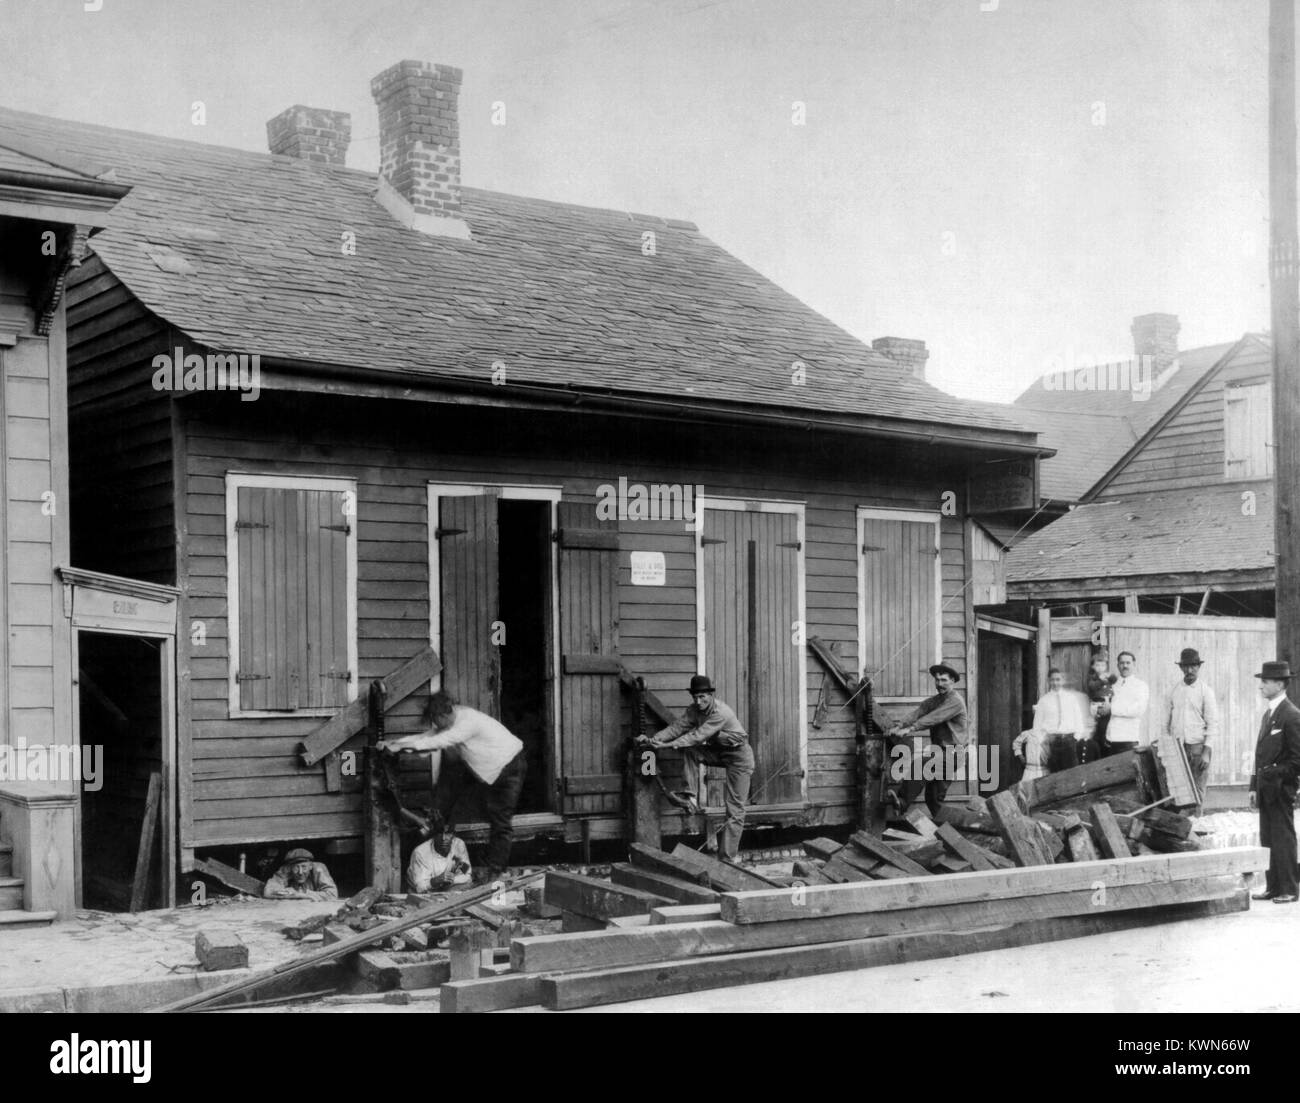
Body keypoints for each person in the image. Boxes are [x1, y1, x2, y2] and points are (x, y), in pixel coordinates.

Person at [380, 691, 527, 884]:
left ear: (442, 715)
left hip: (510, 767)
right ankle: (447, 852)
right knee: (455, 799)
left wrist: (399, 747)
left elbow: (439, 741)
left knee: (501, 821)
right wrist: (395, 743)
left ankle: (495, 873)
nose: (434, 724)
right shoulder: (452, 717)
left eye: (434, 719)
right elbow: (428, 736)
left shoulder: (467, 722)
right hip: (489, 768)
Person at [638, 675, 754, 862]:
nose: (698, 702)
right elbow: (676, 728)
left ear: (711, 695)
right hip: (718, 752)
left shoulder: (720, 712)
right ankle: (689, 795)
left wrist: (666, 746)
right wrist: (654, 739)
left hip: (739, 757)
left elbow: (697, 736)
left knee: (735, 809)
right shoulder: (694, 710)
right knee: (691, 751)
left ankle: (726, 859)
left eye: (703, 697)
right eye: (695, 697)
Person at [886, 662, 969, 818]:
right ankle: (950, 836)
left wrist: (911, 729)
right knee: (933, 799)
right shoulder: (934, 701)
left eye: (944, 680)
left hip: (953, 755)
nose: (939, 684)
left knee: (921, 764)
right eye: (937, 680)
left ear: (952, 681)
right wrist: (899, 725)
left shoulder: (955, 701)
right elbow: (918, 712)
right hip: (940, 753)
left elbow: (933, 718)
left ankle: (902, 802)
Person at [1249, 660, 1300, 904]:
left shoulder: (1291, 715)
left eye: (1266, 681)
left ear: (1280, 684)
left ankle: (1289, 888)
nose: (1261, 686)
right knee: (1268, 837)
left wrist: (1273, 775)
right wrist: (1253, 785)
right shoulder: (1268, 714)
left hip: (1280, 788)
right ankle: (1273, 886)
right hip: (1265, 787)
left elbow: (1296, 761)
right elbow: (1260, 753)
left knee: (1283, 837)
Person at [1164, 647, 1220, 792]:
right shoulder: (1173, 690)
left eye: (1193, 666)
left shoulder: (1205, 691)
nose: (1189, 670)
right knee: (1179, 790)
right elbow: (1165, 722)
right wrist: (1167, 747)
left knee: (1197, 788)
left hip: (1198, 748)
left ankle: (1197, 815)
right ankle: (1183, 816)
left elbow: (1212, 723)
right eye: (1186, 666)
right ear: (1181, 667)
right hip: (1178, 747)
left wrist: (1206, 752)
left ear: (1198, 667)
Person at [1027, 667, 1090, 772]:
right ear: (1048, 681)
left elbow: (1078, 719)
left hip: (1069, 740)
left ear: (1063, 680)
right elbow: (1037, 725)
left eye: (1058, 679)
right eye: (1052, 680)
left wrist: (1076, 737)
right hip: (1051, 742)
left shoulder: (1071, 698)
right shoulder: (1044, 701)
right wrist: (1043, 741)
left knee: (1072, 773)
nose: (1055, 683)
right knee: (1053, 774)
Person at [407, 812, 472, 893]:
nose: (444, 838)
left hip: (448, 887)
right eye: (440, 833)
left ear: (453, 835)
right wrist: (436, 880)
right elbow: (420, 886)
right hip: (422, 890)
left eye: (448, 833)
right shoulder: (421, 852)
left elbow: (466, 874)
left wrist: (451, 880)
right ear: (433, 835)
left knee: (467, 885)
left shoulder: (459, 845)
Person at [1097, 650, 1149, 752]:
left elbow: (1138, 710)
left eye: (1128, 663)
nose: (1125, 666)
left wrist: (1112, 708)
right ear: (1118, 665)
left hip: (1128, 740)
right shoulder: (1113, 685)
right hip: (1110, 739)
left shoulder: (1140, 686)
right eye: (1122, 663)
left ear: (1134, 664)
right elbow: (1104, 707)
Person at [263, 848, 338, 901]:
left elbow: (332, 894)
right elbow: (268, 891)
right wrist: (293, 894)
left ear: (310, 866)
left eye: (304, 867)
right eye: (296, 868)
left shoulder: (318, 868)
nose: (300, 872)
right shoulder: (285, 870)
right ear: (289, 868)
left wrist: (301, 894)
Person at [1085, 651, 1117, 755]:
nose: (1100, 667)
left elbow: (1114, 679)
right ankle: (1098, 745)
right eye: (1097, 665)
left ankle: (1105, 743)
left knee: (1107, 725)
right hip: (1097, 704)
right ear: (1093, 666)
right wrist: (1101, 680)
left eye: (1103, 665)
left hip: (1108, 702)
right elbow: (1092, 687)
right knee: (1098, 726)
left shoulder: (1107, 675)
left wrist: (1109, 676)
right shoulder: (1093, 678)